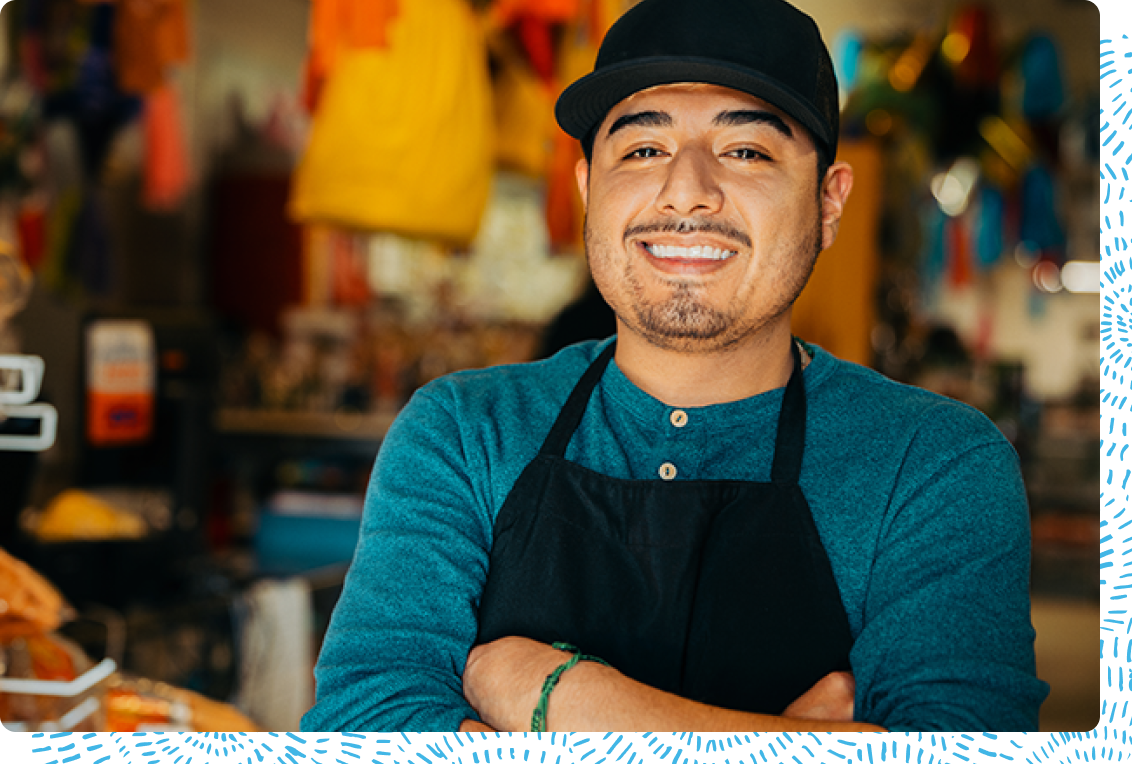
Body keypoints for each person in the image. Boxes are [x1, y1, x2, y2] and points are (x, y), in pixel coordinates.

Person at [302, 0, 1048, 732]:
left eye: (747, 151)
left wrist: (551, 693)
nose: (686, 191)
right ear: (589, 188)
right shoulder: (462, 432)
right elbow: (363, 721)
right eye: (642, 150)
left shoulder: (935, 465)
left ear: (828, 202)